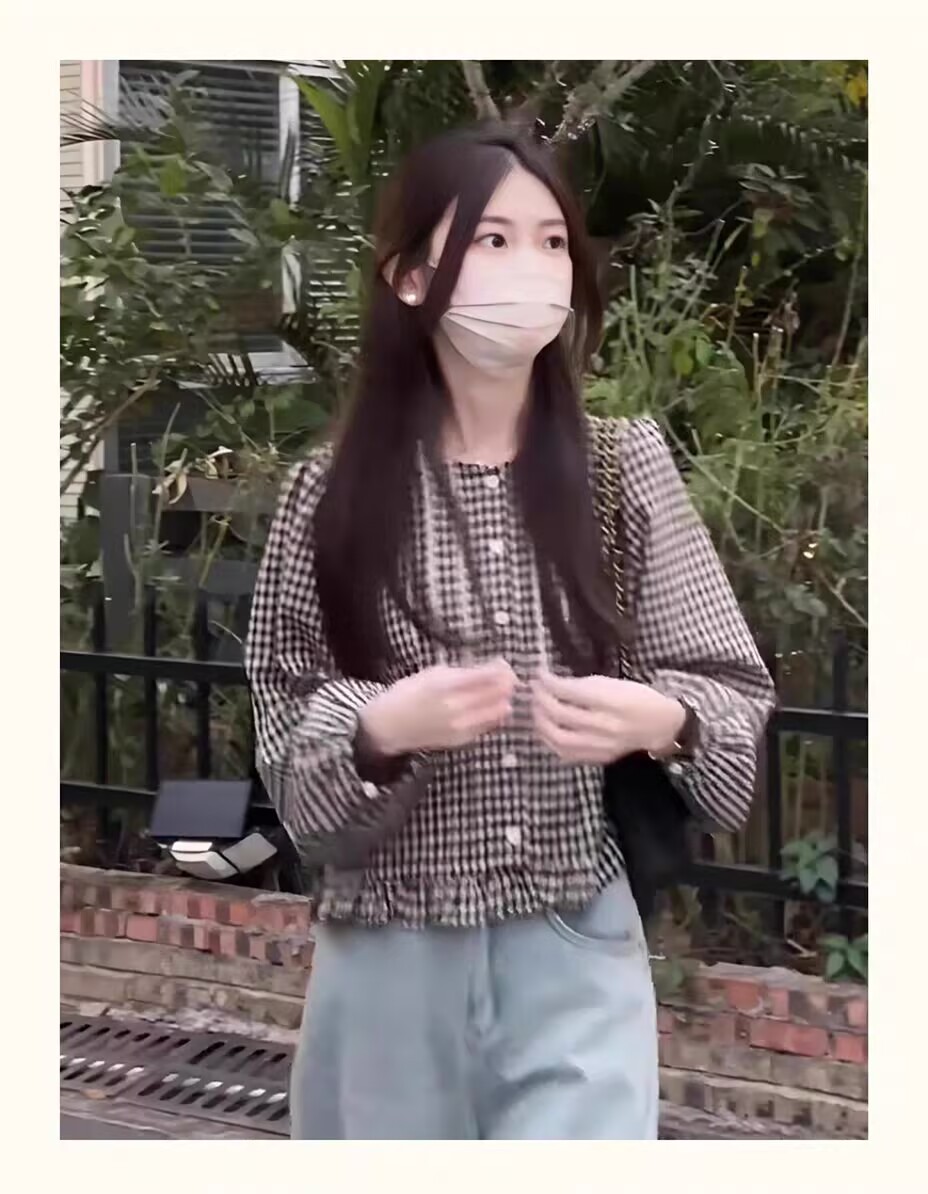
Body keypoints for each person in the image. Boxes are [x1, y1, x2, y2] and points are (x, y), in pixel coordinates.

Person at [245, 123, 775, 1140]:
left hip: (575, 943)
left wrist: (662, 720)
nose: (530, 267)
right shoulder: (332, 493)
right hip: (388, 955)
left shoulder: (622, 468)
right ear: (411, 278)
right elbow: (285, 731)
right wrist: (379, 727)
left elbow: (728, 693)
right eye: (491, 239)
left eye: (551, 241)